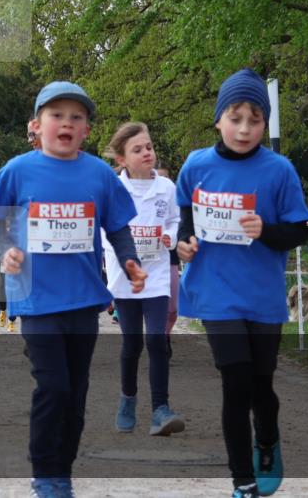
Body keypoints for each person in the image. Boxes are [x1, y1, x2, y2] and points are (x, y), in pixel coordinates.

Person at [0, 81, 148, 498]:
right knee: (53, 385)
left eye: (77, 117)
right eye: (57, 115)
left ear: (87, 131)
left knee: (76, 392)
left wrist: (129, 261)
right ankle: (45, 474)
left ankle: (63, 472)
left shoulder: (98, 174)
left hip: (83, 299)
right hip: (36, 299)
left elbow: (117, 228)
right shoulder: (16, 171)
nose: (67, 123)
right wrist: (6, 252)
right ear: (37, 125)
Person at [176, 68, 308, 498]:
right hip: (216, 294)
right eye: (235, 118)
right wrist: (183, 243)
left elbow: (299, 230)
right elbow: (184, 215)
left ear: (265, 124)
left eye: (255, 120)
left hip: (262, 295)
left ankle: (267, 441)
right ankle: (243, 480)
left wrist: (265, 230)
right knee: (235, 383)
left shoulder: (279, 170)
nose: (245, 128)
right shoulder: (197, 165)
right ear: (218, 119)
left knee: (261, 386)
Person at [103, 122, 185, 436]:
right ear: (122, 159)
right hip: (126, 277)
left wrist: (170, 236)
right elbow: (104, 228)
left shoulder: (166, 187)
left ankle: (161, 409)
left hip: (158, 273)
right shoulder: (114, 188)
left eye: (148, 146)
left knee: (157, 339)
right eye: (137, 150)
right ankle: (127, 400)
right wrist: (114, 263)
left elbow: (176, 219)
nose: (146, 153)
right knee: (132, 343)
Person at [156, 164, 180, 358]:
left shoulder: (173, 200)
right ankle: (156, 339)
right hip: (148, 259)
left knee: (172, 309)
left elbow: (179, 224)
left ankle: (165, 334)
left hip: (170, 259)